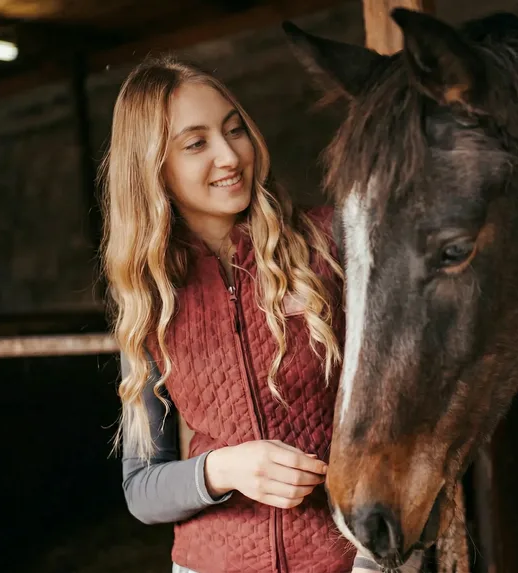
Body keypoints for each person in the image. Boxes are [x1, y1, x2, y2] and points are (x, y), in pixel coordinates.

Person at [99, 55, 385, 573]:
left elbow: (402, 415)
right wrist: (223, 469)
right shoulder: (152, 297)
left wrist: (375, 559)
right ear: (151, 167)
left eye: (235, 131)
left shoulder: (333, 244)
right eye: (196, 143)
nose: (230, 155)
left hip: (347, 561)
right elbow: (142, 490)